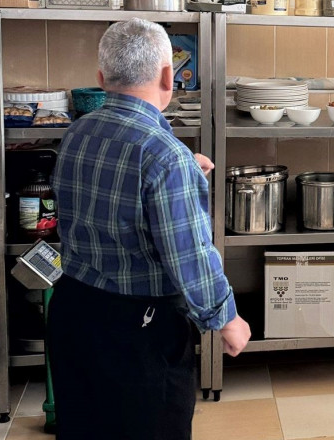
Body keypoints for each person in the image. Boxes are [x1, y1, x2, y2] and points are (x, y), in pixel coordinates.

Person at [48, 18, 251, 440]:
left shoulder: (78, 131)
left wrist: (180, 173)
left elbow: (100, 196)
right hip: (138, 329)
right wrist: (225, 319)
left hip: (73, 311)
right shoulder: (164, 155)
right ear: (167, 76)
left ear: (102, 78)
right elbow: (189, 255)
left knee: (84, 428)